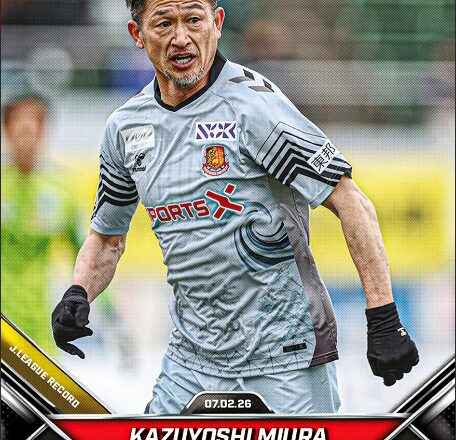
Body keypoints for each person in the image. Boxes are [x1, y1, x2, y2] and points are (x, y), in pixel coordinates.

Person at [51, 0, 419, 414]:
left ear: (217, 22)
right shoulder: (126, 127)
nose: (181, 37)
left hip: (286, 358)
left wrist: (383, 316)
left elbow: (352, 203)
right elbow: (107, 238)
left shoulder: (255, 107)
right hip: (191, 362)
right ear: (137, 34)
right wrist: (78, 292)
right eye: (164, 23)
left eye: (193, 20)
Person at [1, 93, 82, 353]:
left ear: (44, 130)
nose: (26, 134)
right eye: (19, 125)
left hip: (41, 330)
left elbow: (88, 253)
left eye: (33, 124)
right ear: (6, 130)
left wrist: (107, 311)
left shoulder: (61, 189)